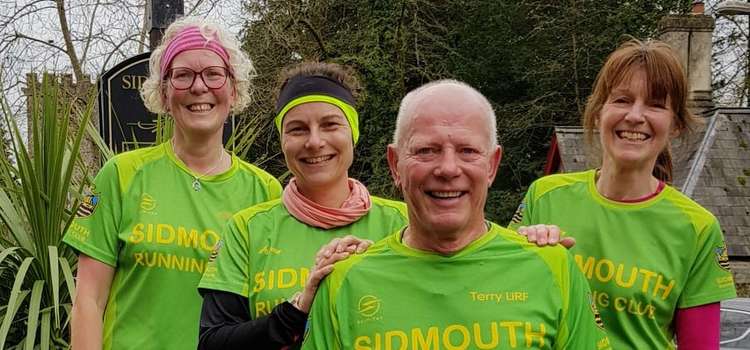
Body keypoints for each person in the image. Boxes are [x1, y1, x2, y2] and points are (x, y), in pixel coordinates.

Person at [301, 80, 612, 350]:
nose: (448, 169)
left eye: (467, 151)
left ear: (492, 165)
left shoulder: (552, 268)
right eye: (426, 150)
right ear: (396, 165)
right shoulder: (345, 282)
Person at [63, 17, 282, 350]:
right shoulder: (119, 175)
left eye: (213, 73)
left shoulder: (266, 192)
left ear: (234, 90)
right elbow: (88, 301)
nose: (198, 87)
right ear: (164, 94)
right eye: (182, 76)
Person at [509, 39, 737, 349]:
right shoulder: (545, 196)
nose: (635, 115)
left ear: (676, 125)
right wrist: (523, 257)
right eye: (622, 100)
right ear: (598, 111)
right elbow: (504, 307)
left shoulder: (698, 228)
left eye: (655, 105)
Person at [196, 62, 409, 349]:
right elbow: (212, 343)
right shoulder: (247, 229)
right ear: (282, 140)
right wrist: (295, 310)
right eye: (297, 129)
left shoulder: (402, 223)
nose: (315, 141)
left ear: (353, 132)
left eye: (330, 124)